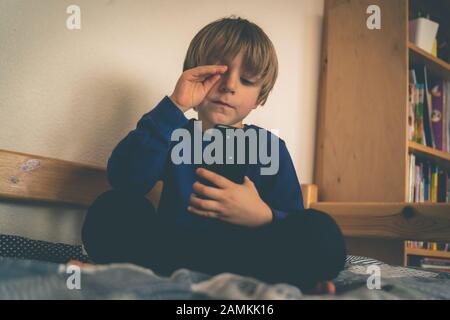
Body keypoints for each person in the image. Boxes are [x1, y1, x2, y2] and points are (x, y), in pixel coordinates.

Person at [82, 16, 346, 294]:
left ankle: (299, 281)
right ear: (193, 75)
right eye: (217, 73)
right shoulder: (172, 131)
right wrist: (175, 106)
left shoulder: (269, 147)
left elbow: (295, 224)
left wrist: (263, 216)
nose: (229, 85)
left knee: (320, 230)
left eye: (246, 79)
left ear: (259, 98)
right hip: (171, 259)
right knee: (114, 207)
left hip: (250, 263)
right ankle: (115, 271)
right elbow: (125, 179)